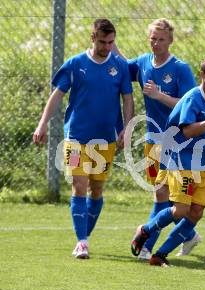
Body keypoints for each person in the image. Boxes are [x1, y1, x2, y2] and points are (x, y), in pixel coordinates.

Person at [33, 19, 135, 259]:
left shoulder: (119, 66)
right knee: (79, 185)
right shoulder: (76, 64)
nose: (107, 47)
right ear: (93, 38)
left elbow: (127, 99)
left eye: (111, 42)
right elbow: (57, 96)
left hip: (105, 140)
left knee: (96, 189)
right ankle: (82, 241)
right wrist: (42, 123)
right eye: (102, 42)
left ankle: (84, 236)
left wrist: (127, 128)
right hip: (76, 137)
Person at [130, 59, 205, 266]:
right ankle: (145, 230)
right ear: (203, 75)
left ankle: (160, 254)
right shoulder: (193, 97)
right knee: (181, 209)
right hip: (183, 159)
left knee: (196, 212)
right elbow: (188, 130)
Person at [114, 18, 200, 260]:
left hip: (177, 142)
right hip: (153, 140)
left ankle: (148, 246)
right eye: (152, 38)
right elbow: (122, 67)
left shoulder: (180, 68)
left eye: (161, 39)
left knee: (168, 197)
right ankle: (187, 235)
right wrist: (112, 46)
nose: (156, 43)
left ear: (170, 40)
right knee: (162, 194)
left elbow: (189, 104)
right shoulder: (142, 62)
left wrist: (159, 95)